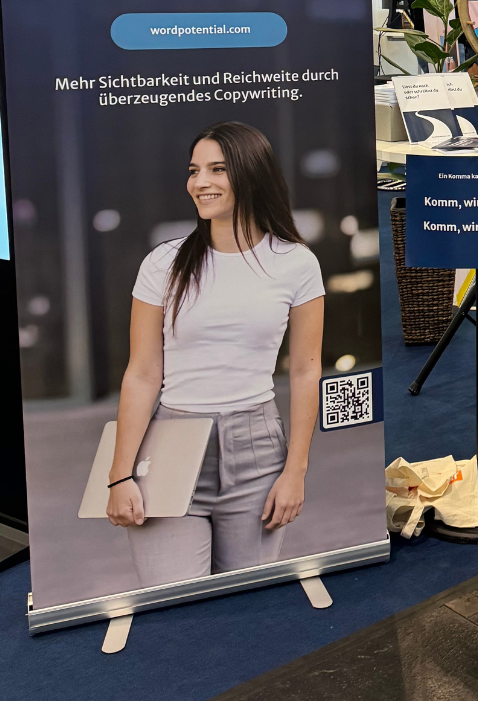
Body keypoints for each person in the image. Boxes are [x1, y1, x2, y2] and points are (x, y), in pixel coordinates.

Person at [106, 122, 325, 587]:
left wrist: (295, 472)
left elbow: (307, 372)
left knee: (243, 610)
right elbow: (142, 373)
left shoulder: (296, 262)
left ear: (251, 174)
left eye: (217, 169)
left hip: (257, 448)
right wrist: (119, 475)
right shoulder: (163, 263)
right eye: (194, 171)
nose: (199, 182)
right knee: (176, 602)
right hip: (170, 444)